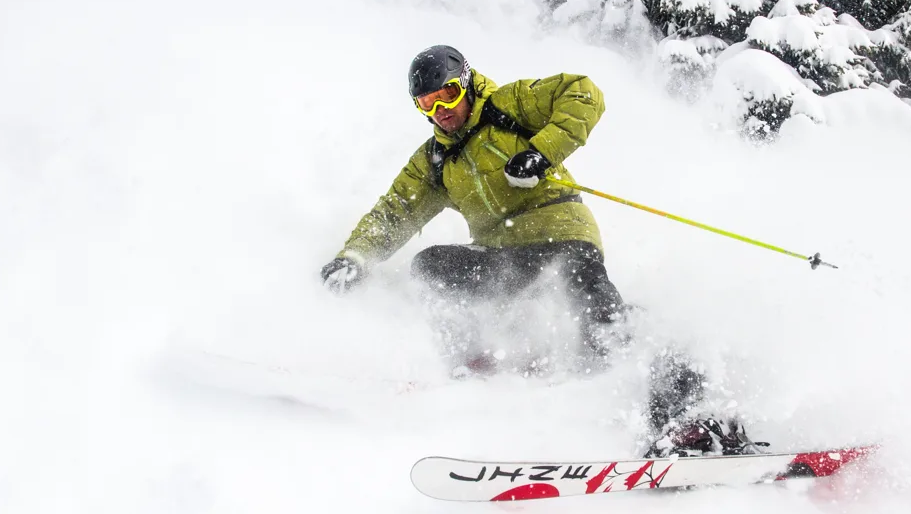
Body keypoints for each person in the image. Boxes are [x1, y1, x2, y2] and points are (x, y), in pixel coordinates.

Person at [320, 45, 762, 457]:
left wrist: (540, 154)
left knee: (599, 334)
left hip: (560, 235)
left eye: (448, 95)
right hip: (503, 258)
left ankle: (692, 411)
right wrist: (354, 257)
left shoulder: (508, 106)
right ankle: (476, 362)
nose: (442, 112)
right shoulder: (436, 160)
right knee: (429, 266)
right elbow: (395, 211)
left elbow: (583, 93)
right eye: (427, 104)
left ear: (468, 83)